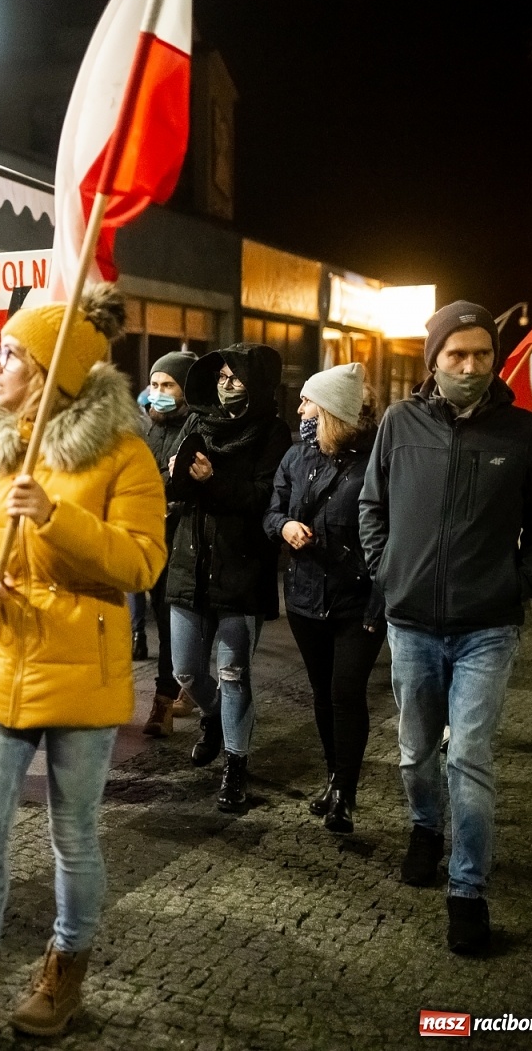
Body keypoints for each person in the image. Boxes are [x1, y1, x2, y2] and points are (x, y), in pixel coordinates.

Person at [0, 288, 166, 1048]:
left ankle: (63, 973)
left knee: (75, 837)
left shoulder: (121, 454)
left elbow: (142, 563)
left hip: (83, 671)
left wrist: (59, 520)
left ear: (55, 375)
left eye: (13, 356)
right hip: (0, 668)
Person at [359, 301, 532, 954]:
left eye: (480, 354)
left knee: (470, 758)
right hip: (412, 620)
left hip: (487, 626)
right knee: (416, 751)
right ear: (434, 359)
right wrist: (388, 572)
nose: (470, 366)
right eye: (456, 355)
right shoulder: (399, 421)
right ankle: (425, 826)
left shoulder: (525, 433)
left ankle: (466, 892)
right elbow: (373, 503)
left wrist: (522, 582)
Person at [165, 343, 290, 813]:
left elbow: (264, 498)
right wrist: (177, 475)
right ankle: (215, 720)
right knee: (185, 671)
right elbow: (174, 486)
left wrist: (213, 479)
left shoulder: (273, 433)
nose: (226, 384)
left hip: (241, 570)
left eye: (236, 378)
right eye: (221, 376)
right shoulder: (197, 422)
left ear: (256, 385)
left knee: (233, 673)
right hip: (189, 562)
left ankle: (236, 766)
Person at [263, 363, 382, 834]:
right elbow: (272, 510)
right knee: (322, 693)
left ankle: (345, 795)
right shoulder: (296, 457)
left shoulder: (376, 459)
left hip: (359, 598)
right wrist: (285, 526)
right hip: (307, 595)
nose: (300, 408)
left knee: (345, 692)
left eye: (308, 401)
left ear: (330, 409)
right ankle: (334, 777)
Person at [136, 350, 198, 737]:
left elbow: (180, 479)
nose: (159, 392)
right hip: (154, 535)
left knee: (175, 617)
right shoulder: (150, 426)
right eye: (155, 384)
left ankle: (165, 701)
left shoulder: (196, 427)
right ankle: (182, 688)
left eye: (168, 385)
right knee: (161, 615)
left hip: (184, 538)